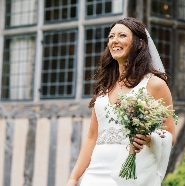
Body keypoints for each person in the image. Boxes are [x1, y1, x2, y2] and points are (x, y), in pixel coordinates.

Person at [66, 17, 176, 186]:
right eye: (111, 36)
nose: (115, 40)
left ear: (139, 44)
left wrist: (149, 139)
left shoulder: (154, 85)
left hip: (131, 174)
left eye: (122, 35)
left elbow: (170, 133)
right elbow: (92, 136)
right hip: (95, 174)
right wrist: (74, 177)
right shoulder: (104, 86)